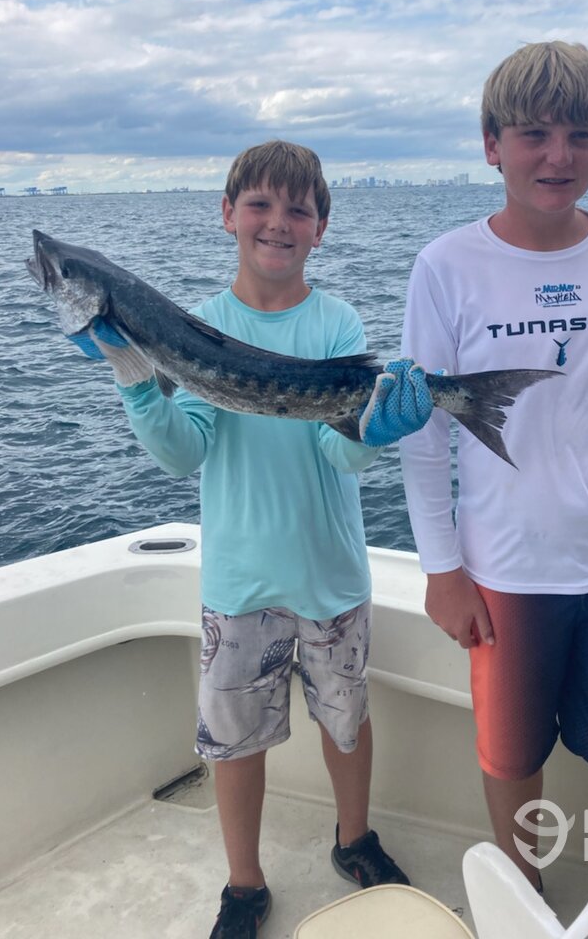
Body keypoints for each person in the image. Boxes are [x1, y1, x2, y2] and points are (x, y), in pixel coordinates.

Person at [69, 140, 433, 938]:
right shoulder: (201, 326)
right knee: (234, 746)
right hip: (237, 583)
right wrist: (135, 381)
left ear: (321, 228)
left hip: (331, 576)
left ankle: (354, 838)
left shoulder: (336, 322)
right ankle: (243, 883)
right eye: (260, 205)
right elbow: (184, 452)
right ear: (227, 214)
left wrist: (372, 432)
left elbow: (338, 452)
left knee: (346, 722)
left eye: (298, 209)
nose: (278, 222)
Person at [399, 43, 588, 939]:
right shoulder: (444, 266)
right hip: (505, 576)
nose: (558, 156)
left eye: (581, 135)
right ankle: (523, 916)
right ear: (492, 145)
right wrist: (442, 569)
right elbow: (423, 431)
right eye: (534, 135)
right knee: (509, 757)